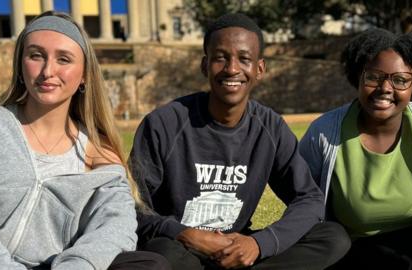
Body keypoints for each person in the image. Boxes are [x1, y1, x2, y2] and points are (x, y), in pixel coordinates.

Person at [129, 13, 350, 269]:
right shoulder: (164, 123)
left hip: (239, 251)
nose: (232, 69)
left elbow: (309, 200)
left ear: (259, 69)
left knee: (332, 238)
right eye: (220, 58)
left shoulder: (270, 127)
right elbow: (133, 204)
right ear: (205, 65)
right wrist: (183, 233)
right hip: (182, 249)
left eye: (244, 59)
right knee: (161, 255)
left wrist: (259, 244)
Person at [0, 11, 170, 270]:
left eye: (64, 59)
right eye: (36, 55)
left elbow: (115, 229)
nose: (48, 71)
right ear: (20, 64)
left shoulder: (99, 154)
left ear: (84, 75)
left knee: (150, 264)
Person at [299, 28, 412, 269]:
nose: (385, 88)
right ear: (358, 76)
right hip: (356, 253)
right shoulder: (324, 132)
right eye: (374, 76)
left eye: (400, 80)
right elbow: (300, 200)